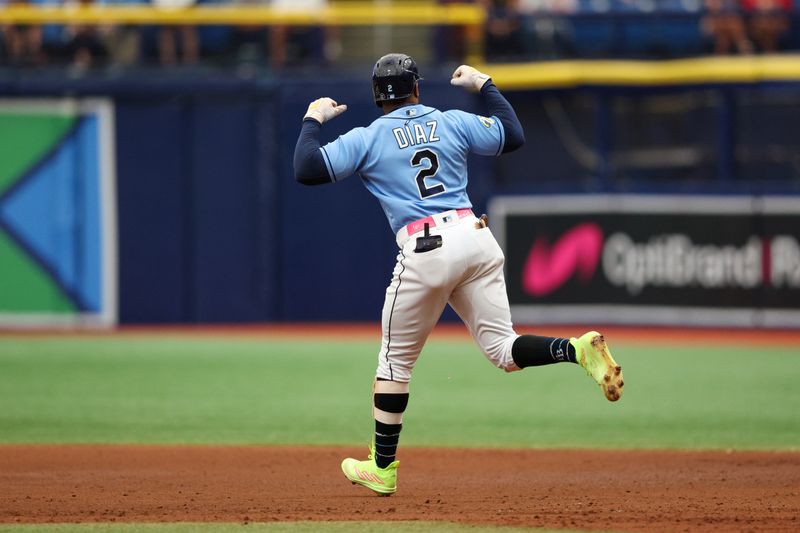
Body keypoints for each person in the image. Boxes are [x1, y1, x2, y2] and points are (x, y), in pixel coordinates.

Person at [292, 53, 624, 496]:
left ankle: (383, 468)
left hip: (426, 248)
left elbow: (307, 168)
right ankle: (576, 349)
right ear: (417, 88)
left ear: (377, 96)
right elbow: (513, 135)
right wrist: (485, 84)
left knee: (393, 364)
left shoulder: (368, 136)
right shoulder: (450, 120)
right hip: (476, 237)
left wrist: (313, 119)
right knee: (504, 349)